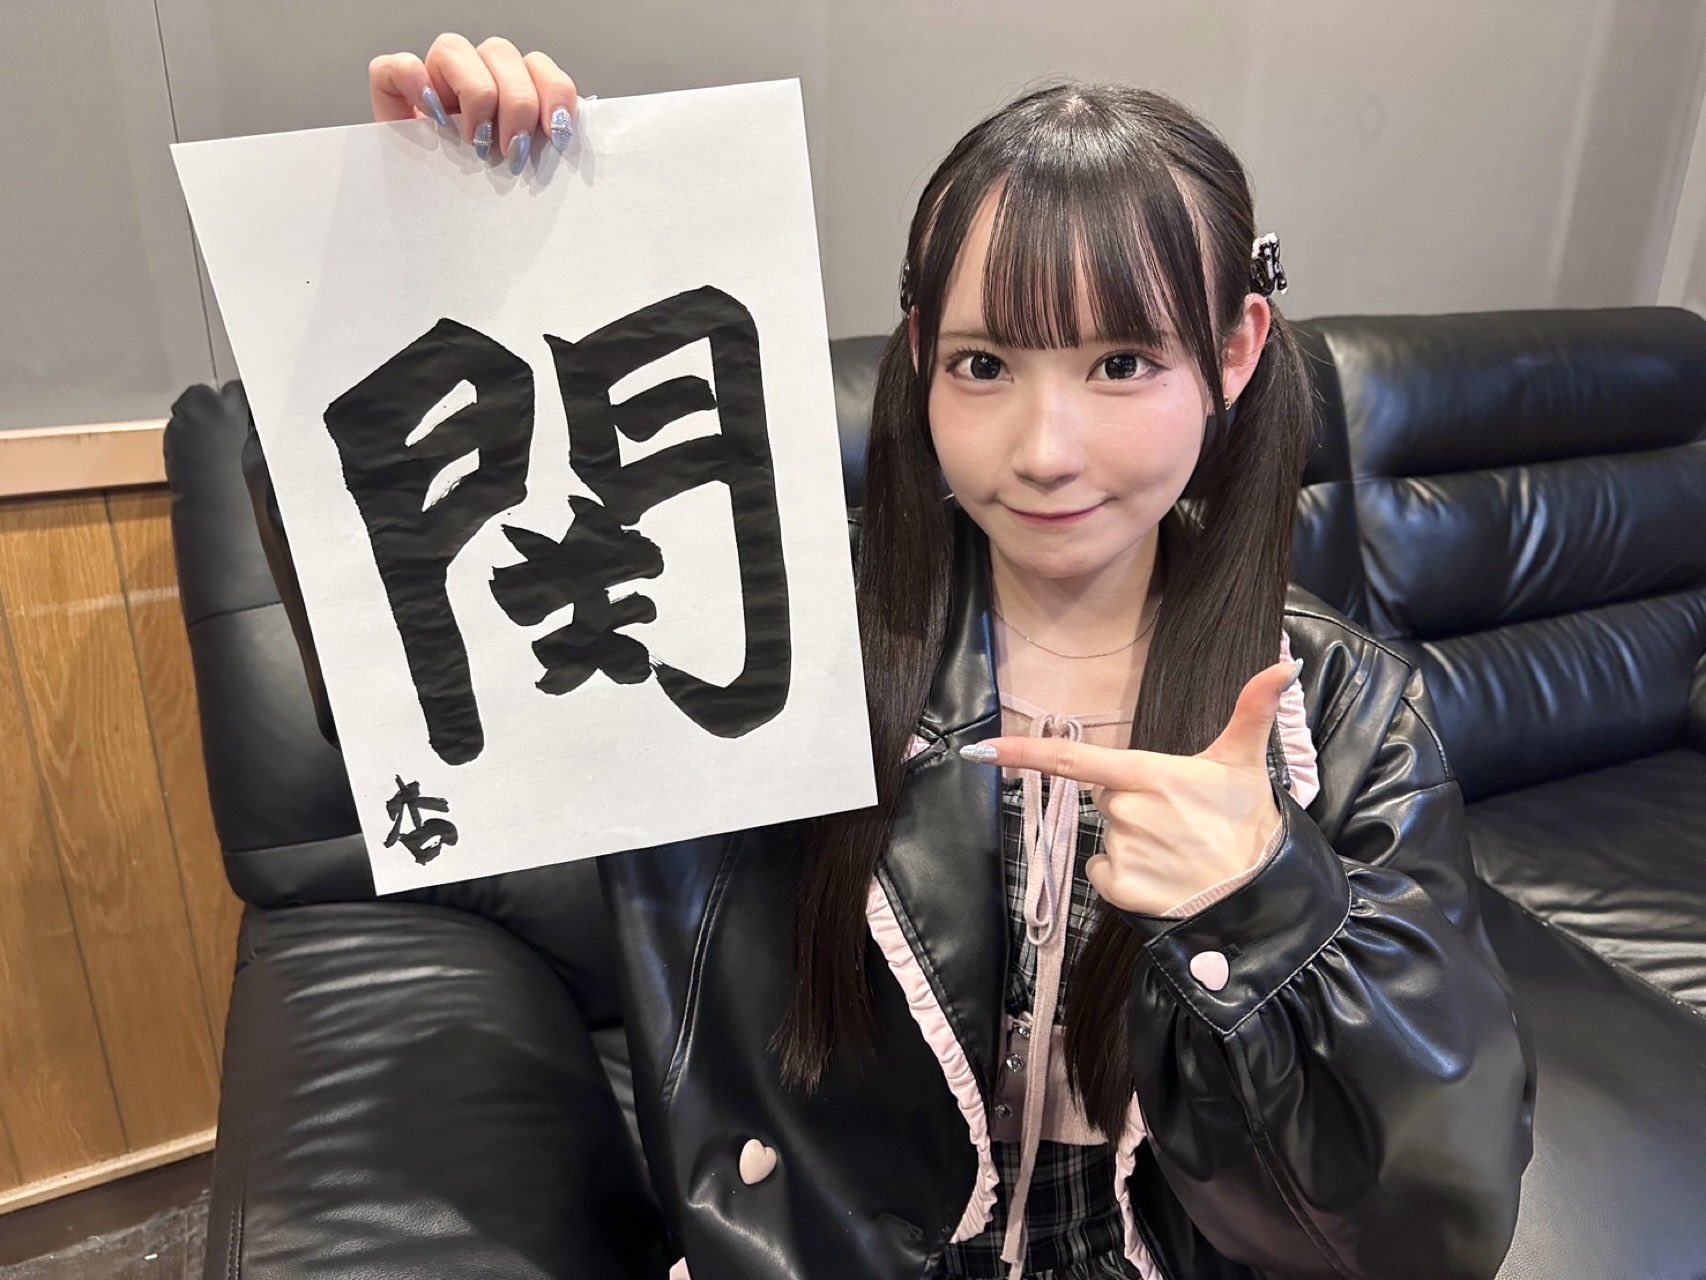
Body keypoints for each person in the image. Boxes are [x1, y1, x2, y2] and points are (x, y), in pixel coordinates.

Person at [348, 34, 1536, 1279]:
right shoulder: (755, 633)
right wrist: (429, 238)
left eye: (1121, 363)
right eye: (984, 364)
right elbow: (429, 652)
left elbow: (1434, 1220)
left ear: (1232, 351)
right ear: (917, 352)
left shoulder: (1338, 711)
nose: (1044, 449)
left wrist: (1264, 903)